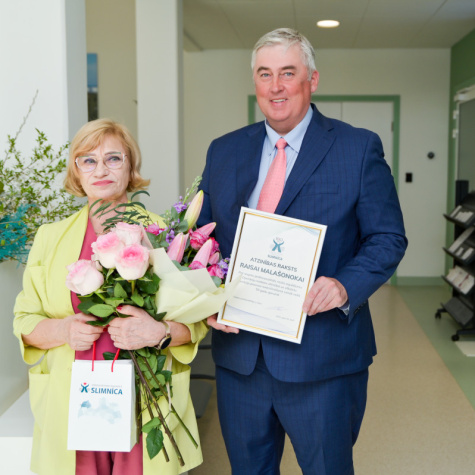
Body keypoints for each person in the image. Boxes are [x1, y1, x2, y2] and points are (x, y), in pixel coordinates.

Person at [198, 28, 408, 474]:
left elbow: (387, 237)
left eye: (288, 73)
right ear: (255, 82)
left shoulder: (357, 147)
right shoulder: (224, 150)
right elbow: (203, 239)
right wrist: (205, 299)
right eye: (265, 74)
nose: (276, 86)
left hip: (323, 359)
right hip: (241, 360)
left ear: (312, 79)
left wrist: (344, 285)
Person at [13, 119, 207, 475]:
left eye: (113, 158)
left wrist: (159, 332)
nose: (100, 170)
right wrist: (63, 330)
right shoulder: (49, 237)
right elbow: (24, 323)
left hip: (146, 397)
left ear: (131, 166)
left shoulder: (166, 234)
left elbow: (196, 324)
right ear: (76, 171)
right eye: (88, 160)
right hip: (74, 399)